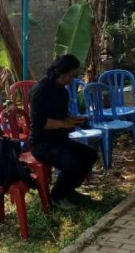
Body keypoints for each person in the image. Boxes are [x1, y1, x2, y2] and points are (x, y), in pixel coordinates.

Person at [29, 54, 99, 210]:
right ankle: (57, 196)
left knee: (90, 155)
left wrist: (75, 120)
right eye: (70, 76)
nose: (71, 80)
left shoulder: (62, 91)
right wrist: (64, 123)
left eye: (73, 76)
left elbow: (62, 117)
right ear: (61, 72)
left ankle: (69, 190)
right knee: (72, 164)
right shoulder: (40, 90)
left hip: (60, 139)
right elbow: (40, 123)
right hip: (42, 144)